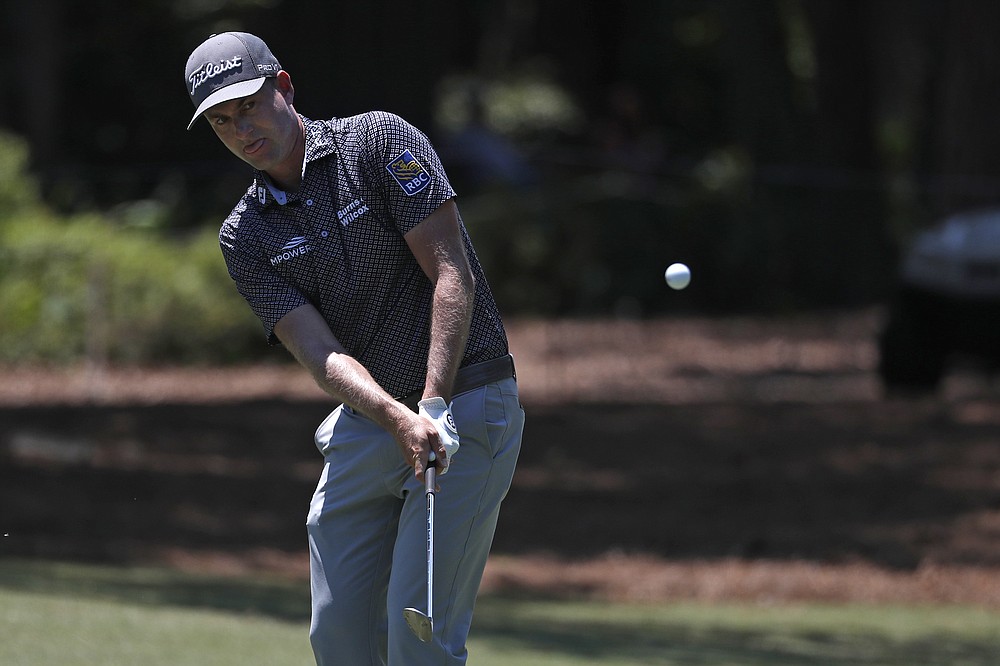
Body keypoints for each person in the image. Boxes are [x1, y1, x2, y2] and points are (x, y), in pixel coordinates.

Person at [183, 32, 524, 665]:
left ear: (284, 87)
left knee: (416, 637)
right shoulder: (245, 234)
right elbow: (318, 351)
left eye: (250, 106)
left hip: (466, 403)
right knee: (339, 638)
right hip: (374, 419)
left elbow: (452, 275)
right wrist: (395, 416)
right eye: (222, 122)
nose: (242, 129)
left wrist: (433, 405)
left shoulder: (378, 141)